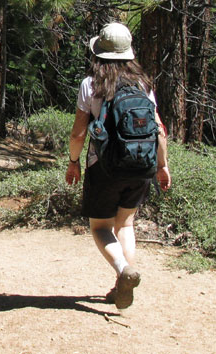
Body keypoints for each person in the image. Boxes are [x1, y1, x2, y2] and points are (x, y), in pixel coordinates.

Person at [65, 22, 171, 310]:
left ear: (99, 53)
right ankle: (122, 281)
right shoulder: (143, 83)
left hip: (104, 166)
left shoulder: (91, 85)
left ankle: (124, 271)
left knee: (100, 226)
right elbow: (159, 129)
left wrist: (73, 163)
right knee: (126, 223)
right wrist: (162, 165)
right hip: (142, 165)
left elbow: (78, 133)